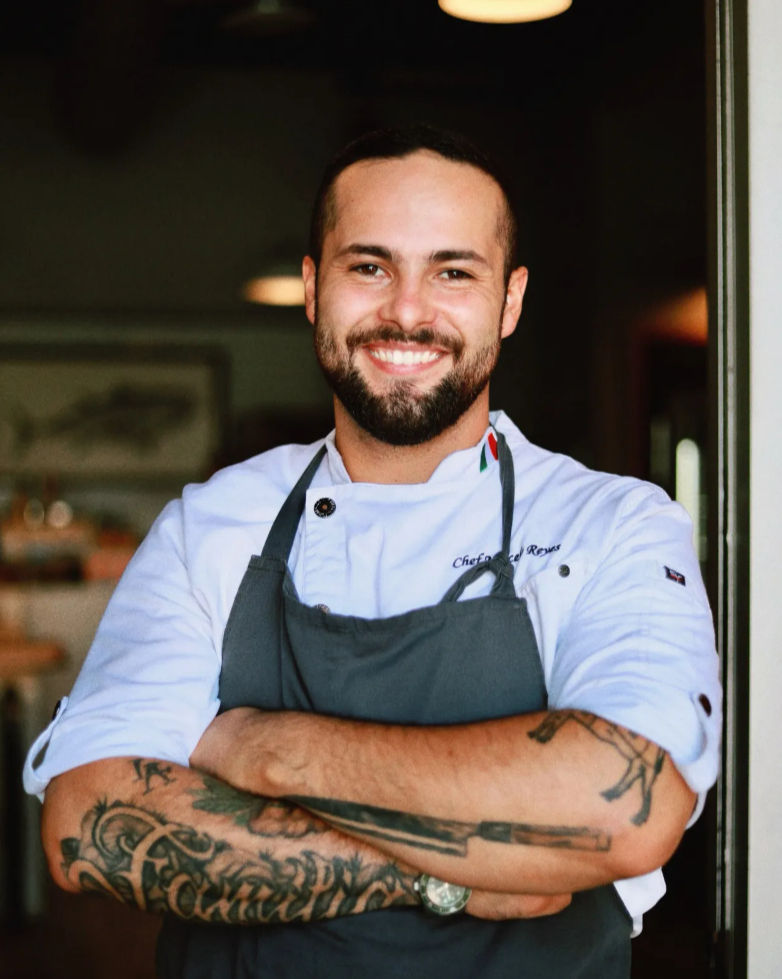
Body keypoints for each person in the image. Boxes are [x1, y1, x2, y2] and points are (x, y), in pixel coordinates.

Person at [24, 125, 721, 978]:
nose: (407, 310)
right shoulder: (211, 525)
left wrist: (269, 751)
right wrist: (449, 877)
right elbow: (90, 825)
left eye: (453, 272)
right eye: (369, 266)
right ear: (314, 288)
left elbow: (626, 807)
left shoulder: (610, 522)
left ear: (510, 300)